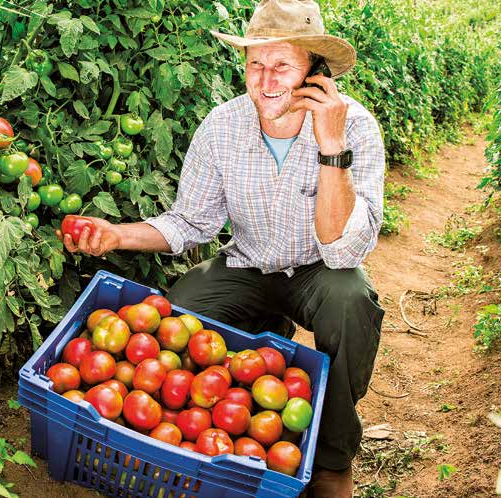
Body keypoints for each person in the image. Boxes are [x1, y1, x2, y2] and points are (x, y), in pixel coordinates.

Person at [56, 0, 385, 495]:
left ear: (316, 75)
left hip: (321, 270)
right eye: (256, 64)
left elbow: (343, 252)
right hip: (249, 264)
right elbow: (192, 221)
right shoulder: (223, 126)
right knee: (184, 306)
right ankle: (264, 343)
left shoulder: (355, 128)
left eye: (283, 66)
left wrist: (330, 146)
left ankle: (334, 458)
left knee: (352, 301)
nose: (266, 80)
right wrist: (118, 234)